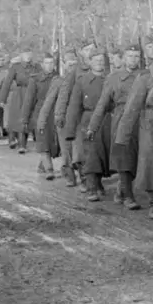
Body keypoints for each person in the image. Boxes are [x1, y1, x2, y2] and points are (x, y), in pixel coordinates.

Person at [118, 41, 153, 218]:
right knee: (151, 162)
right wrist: (123, 135)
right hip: (149, 123)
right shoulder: (144, 77)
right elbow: (132, 107)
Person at [98, 46, 146, 210]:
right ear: (124, 58)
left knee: (138, 159)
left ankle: (121, 189)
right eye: (130, 55)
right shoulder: (114, 78)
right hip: (121, 119)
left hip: (142, 120)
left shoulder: (145, 75)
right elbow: (104, 103)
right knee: (125, 158)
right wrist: (93, 126)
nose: (133, 59)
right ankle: (128, 197)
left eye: (136, 56)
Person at [64, 51, 110, 202]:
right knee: (90, 155)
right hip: (88, 120)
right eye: (95, 60)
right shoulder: (82, 81)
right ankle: (92, 187)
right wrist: (70, 131)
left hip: (107, 120)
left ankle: (98, 183)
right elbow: (74, 107)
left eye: (101, 61)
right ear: (89, 62)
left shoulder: (110, 79)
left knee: (103, 155)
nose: (99, 63)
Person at [55, 43, 98, 184]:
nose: (90, 51)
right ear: (81, 52)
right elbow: (64, 94)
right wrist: (60, 115)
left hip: (95, 115)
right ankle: (82, 177)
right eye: (86, 49)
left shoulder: (101, 68)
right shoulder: (75, 71)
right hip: (76, 116)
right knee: (78, 149)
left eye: (92, 49)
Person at [37, 53, 78, 185]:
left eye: (74, 64)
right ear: (64, 65)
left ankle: (84, 178)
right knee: (66, 152)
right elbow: (48, 102)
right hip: (64, 122)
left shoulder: (82, 80)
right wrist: (41, 122)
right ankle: (69, 176)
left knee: (80, 151)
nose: (72, 67)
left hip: (79, 121)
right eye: (69, 64)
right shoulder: (59, 81)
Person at [22, 54, 58, 178]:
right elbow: (29, 100)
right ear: (42, 65)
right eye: (47, 63)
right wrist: (25, 118)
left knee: (51, 141)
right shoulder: (35, 80)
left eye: (52, 63)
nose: (50, 65)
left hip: (54, 113)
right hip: (39, 114)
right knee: (43, 141)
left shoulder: (58, 78)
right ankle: (49, 169)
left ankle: (42, 165)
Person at [0, 50, 38, 153]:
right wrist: (2, 99)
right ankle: (21, 144)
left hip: (32, 94)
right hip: (19, 94)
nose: (28, 56)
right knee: (18, 118)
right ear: (21, 55)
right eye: (25, 54)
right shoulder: (15, 67)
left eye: (30, 53)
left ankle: (22, 144)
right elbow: (7, 83)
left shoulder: (36, 67)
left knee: (28, 119)